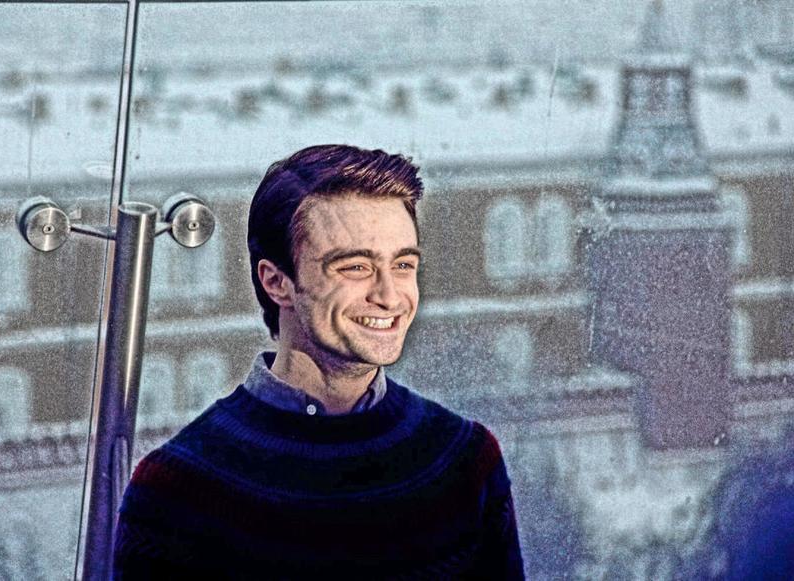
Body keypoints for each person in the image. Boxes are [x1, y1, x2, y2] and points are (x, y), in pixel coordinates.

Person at [114, 144, 525, 579]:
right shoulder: (178, 490)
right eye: (355, 268)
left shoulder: (465, 462)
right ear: (277, 282)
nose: (390, 296)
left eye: (403, 265)